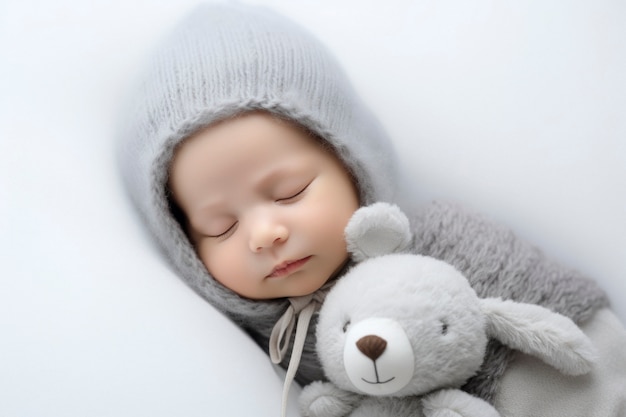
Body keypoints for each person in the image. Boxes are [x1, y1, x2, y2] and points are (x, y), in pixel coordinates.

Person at [117, 3, 626, 416]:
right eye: (220, 226)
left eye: (291, 191)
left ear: (351, 162)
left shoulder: (448, 245)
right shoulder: (274, 351)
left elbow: (588, 339)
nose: (265, 232)